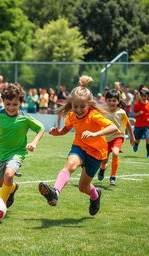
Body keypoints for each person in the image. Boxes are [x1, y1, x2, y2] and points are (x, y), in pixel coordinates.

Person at [38, 76, 118, 216]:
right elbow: (66, 129)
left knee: (83, 188)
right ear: (71, 104)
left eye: (82, 106)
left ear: (89, 104)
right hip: (79, 147)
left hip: (96, 153)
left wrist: (95, 134)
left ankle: (95, 195)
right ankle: (55, 192)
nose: (79, 109)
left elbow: (113, 128)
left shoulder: (94, 116)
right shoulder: (72, 115)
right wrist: (58, 132)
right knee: (70, 164)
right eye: (75, 106)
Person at [0, 83, 45, 208]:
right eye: (8, 104)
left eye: (15, 104)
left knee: (9, 175)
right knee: (1, 183)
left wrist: (34, 142)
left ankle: (1, 206)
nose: (11, 107)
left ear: (21, 103)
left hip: (17, 152)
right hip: (0, 152)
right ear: (3, 101)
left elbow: (41, 128)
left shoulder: (25, 118)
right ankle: (13, 187)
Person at [97, 89, 135, 185]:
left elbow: (128, 124)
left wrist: (132, 137)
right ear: (105, 100)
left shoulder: (121, 112)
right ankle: (102, 168)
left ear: (118, 101)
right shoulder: (103, 111)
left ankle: (113, 177)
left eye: (114, 100)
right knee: (104, 159)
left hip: (118, 136)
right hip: (106, 138)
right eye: (109, 100)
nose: (111, 102)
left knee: (115, 153)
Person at [132, 90, 149, 159]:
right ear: (140, 96)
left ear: (147, 96)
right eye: (142, 96)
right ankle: (136, 144)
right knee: (137, 139)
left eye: (145, 96)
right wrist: (139, 113)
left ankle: (148, 154)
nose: (143, 97)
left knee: (147, 138)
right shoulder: (137, 104)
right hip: (138, 125)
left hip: (147, 125)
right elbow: (134, 114)